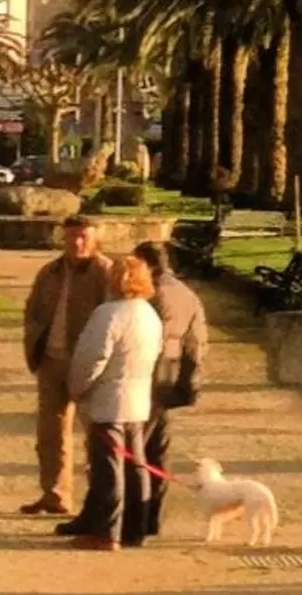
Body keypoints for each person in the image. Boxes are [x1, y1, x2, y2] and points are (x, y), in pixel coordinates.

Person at [54, 251, 162, 551]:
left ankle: (106, 531)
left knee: (107, 469)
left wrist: (77, 387)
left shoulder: (109, 314)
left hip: (109, 399)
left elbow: (91, 358)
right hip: (138, 398)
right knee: (135, 465)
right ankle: (134, 528)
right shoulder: (148, 314)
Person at [20, 213, 116, 514]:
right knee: (50, 432)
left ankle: (98, 499)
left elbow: (113, 320)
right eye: (72, 236)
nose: (76, 243)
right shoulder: (49, 272)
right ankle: (55, 493)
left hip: (88, 365)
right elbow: (32, 310)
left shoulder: (106, 273)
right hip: (51, 360)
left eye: (83, 237)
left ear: (94, 239)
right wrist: (34, 344)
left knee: (96, 434)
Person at [134, 241, 207, 538]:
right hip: (171, 375)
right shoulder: (187, 294)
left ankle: (136, 518)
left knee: (137, 449)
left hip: (149, 375)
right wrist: (190, 381)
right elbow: (197, 341)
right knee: (158, 450)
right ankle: (153, 518)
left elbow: (147, 339)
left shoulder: (153, 296)